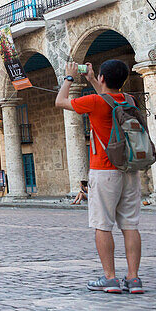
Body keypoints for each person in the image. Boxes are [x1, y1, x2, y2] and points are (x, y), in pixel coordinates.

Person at [55, 59, 145, 293]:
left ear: (104, 78)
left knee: (103, 226)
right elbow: (108, 99)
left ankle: (110, 278)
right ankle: (134, 279)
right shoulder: (129, 100)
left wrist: (69, 77)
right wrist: (93, 79)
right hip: (130, 169)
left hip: (104, 171)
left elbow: (60, 101)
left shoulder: (94, 102)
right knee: (130, 226)